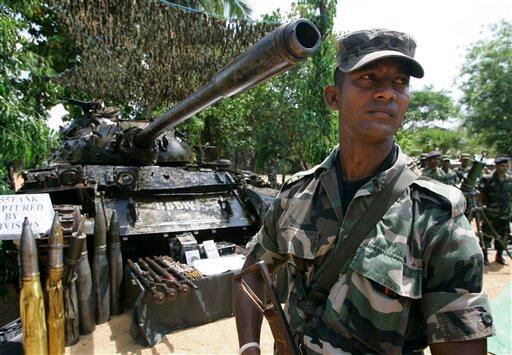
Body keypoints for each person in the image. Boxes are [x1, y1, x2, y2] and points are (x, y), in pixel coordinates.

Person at [235, 29, 493, 354]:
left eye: (400, 83)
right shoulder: (295, 194)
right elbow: (252, 274)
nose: (388, 94)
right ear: (333, 97)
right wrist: (249, 346)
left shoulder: (436, 216)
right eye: (369, 78)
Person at [479, 156, 512, 265]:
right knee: (486, 235)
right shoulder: (487, 179)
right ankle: (484, 256)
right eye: (503, 166)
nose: (505, 168)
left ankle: (499, 256)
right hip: (490, 213)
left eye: (507, 166)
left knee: (503, 235)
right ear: (497, 166)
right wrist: (483, 209)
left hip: (505, 213)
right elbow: (481, 196)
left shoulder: (510, 179)